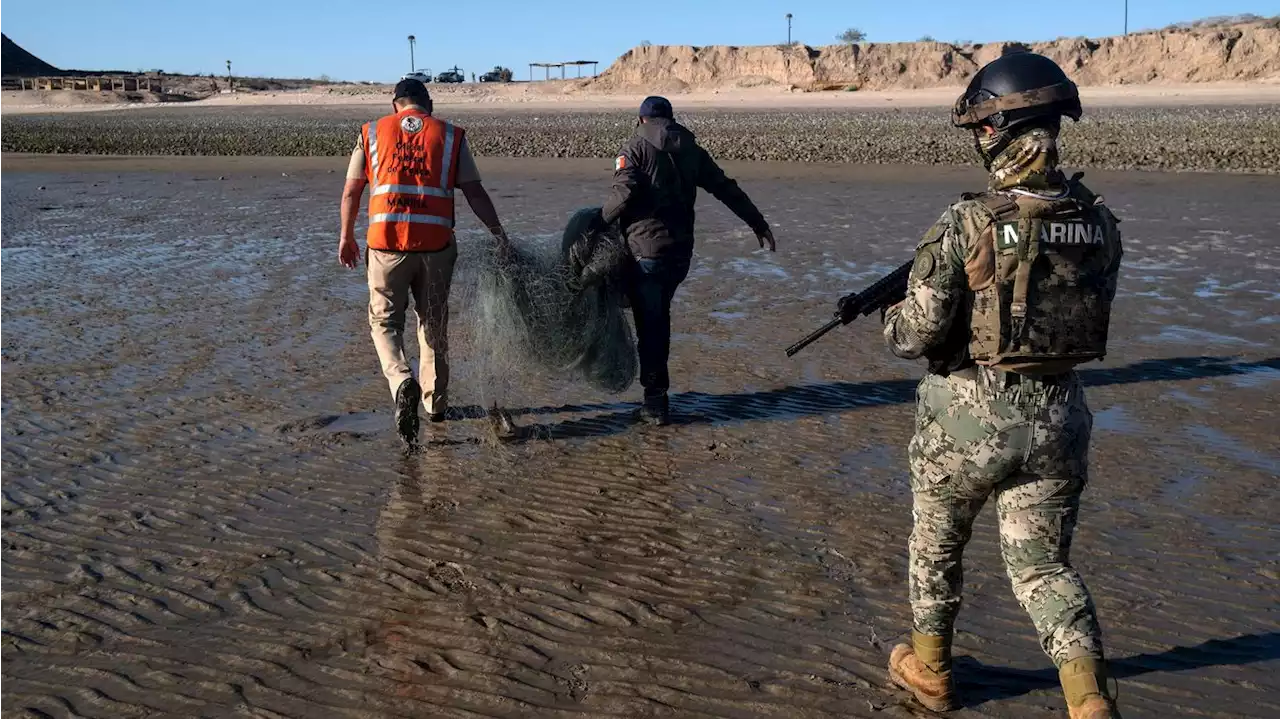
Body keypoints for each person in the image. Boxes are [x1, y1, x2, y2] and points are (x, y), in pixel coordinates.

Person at [880, 52, 1124, 718]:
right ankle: (1088, 697)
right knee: (1043, 566)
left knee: (935, 544)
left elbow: (917, 335)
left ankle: (930, 669)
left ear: (1000, 130)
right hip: (1060, 420)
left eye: (985, 128)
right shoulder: (1099, 223)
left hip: (966, 424)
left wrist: (891, 315)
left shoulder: (965, 222)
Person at [339, 78, 511, 449]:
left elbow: (353, 188)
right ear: (427, 103)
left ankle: (402, 380)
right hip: (435, 247)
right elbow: (475, 192)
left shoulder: (371, 132)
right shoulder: (450, 136)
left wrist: (346, 237)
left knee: (385, 323)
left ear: (394, 104)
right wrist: (499, 235)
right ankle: (435, 405)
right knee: (433, 323)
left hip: (386, 246)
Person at [601, 96, 775, 426]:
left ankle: (654, 404)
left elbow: (623, 195)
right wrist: (757, 223)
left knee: (651, 327)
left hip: (646, 254)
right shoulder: (691, 148)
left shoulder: (634, 148)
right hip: (680, 256)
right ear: (670, 118)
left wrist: (596, 223)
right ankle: (655, 396)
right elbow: (724, 187)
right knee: (656, 319)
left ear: (641, 120)